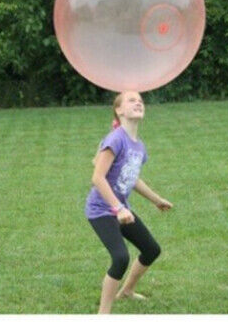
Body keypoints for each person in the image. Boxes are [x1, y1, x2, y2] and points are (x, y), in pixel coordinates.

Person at [85, 91, 173, 314]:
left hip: (121, 210)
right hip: (101, 210)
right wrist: (119, 207)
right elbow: (97, 177)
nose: (138, 103)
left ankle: (127, 291)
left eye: (141, 100)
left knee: (151, 250)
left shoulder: (138, 146)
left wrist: (157, 199)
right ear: (119, 110)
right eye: (132, 100)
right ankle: (103, 314)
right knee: (120, 257)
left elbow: (132, 178)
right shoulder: (116, 139)